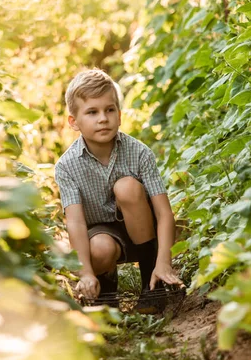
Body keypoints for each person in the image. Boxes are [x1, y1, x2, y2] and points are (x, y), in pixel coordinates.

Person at [54, 68, 182, 312]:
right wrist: (86, 273)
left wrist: (164, 261)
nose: (103, 118)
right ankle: (105, 286)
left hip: (143, 233)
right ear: (74, 122)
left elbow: (164, 214)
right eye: (92, 112)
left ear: (119, 115)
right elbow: (76, 224)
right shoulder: (66, 166)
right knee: (100, 249)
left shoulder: (139, 153)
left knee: (127, 187)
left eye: (109, 110)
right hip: (101, 238)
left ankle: (152, 287)